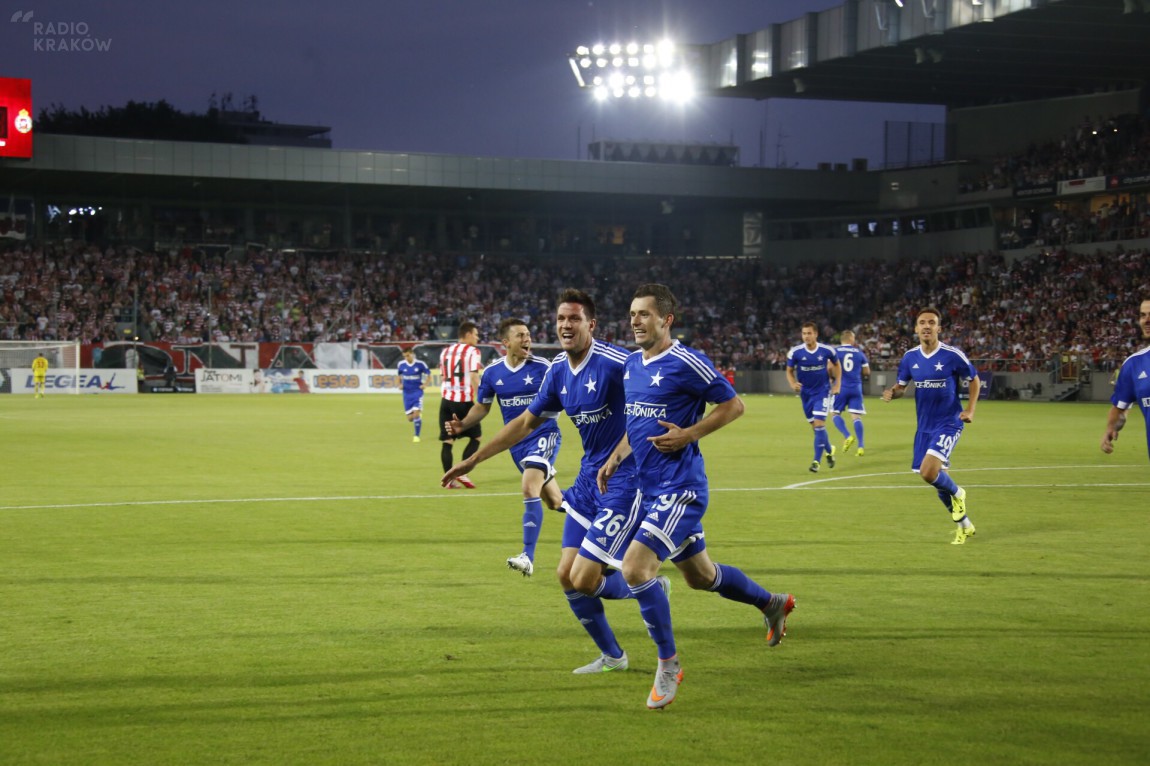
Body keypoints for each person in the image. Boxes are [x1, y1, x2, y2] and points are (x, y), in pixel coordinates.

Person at [597, 283, 794, 710]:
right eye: (632, 314)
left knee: (635, 568)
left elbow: (733, 405)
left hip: (681, 490)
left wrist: (690, 433)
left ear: (666, 320)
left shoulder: (687, 361)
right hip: (650, 490)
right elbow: (639, 422)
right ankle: (773, 603)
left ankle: (668, 664)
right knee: (701, 577)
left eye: (644, 314)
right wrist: (615, 457)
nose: (635, 321)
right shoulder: (631, 364)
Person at [442, 289, 651, 675]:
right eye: (560, 319)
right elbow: (523, 422)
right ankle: (614, 656)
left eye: (574, 319)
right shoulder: (557, 369)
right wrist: (472, 460)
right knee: (567, 577)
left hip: (626, 479)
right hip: (589, 479)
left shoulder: (616, 362)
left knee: (585, 577)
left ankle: (648, 586)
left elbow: (652, 405)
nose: (565, 325)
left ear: (591, 324)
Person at [446, 318, 564, 576]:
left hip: (544, 435)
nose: (527, 339)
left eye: (528, 334)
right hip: (515, 444)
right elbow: (482, 407)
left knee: (529, 486)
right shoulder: (492, 372)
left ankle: (527, 556)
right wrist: (462, 425)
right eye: (520, 335)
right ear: (505, 342)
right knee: (555, 501)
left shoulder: (544, 368)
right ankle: (595, 509)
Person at [882, 307, 981, 545]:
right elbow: (902, 387)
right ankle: (964, 525)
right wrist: (892, 392)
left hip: (949, 422)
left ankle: (959, 493)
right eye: (922, 322)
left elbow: (974, 379)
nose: (927, 326)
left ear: (939, 328)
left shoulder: (952, 355)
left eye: (932, 322)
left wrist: (970, 410)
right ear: (916, 328)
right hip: (924, 427)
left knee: (929, 472)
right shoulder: (910, 358)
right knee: (937, 480)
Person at [785, 322, 841, 472]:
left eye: (809, 333)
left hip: (822, 392)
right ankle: (829, 450)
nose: (806, 336)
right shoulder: (795, 352)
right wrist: (792, 384)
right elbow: (789, 370)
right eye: (804, 333)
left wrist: (837, 384)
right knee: (816, 428)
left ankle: (816, 461)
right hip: (806, 395)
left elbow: (837, 365)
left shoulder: (827, 350)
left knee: (819, 424)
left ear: (816, 334)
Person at [1100, 298, 1150, 461]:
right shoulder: (1133, 364)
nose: (1147, 320)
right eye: (1143, 315)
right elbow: (1121, 408)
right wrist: (1111, 427)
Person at [438, 322, 483, 489]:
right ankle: (462, 472)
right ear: (468, 334)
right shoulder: (473, 351)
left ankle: (448, 480)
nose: (477, 338)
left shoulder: (445, 352)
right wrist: (481, 398)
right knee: (476, 437)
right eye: (476, 334)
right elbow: (473, 376)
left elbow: (443, 376)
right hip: (463, 401)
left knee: (448, 440)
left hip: (446, 400)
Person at [831, 330, 871, 457]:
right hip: (856, 388)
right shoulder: (859, 353)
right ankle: (861, 447)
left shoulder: (835, 352)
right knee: (856, 417)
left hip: (841, 387)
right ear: (851, 339)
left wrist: (832, 378)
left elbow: (829, 368)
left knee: (834, 413)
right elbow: (867, 372)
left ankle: (847, 436)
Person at [397, 347, 430, 443]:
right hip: (407, 394)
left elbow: (429, 375)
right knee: (410, 418)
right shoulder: (401, 364)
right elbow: (398, 376)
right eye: (404, 356)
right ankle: (418, 415)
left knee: (415, 414)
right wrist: (399, 384)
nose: (406, 358)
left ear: (412, 354)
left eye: (408, 355)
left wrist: (425, 385)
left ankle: (416, 436)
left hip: (417, 392)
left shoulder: (420, 364)